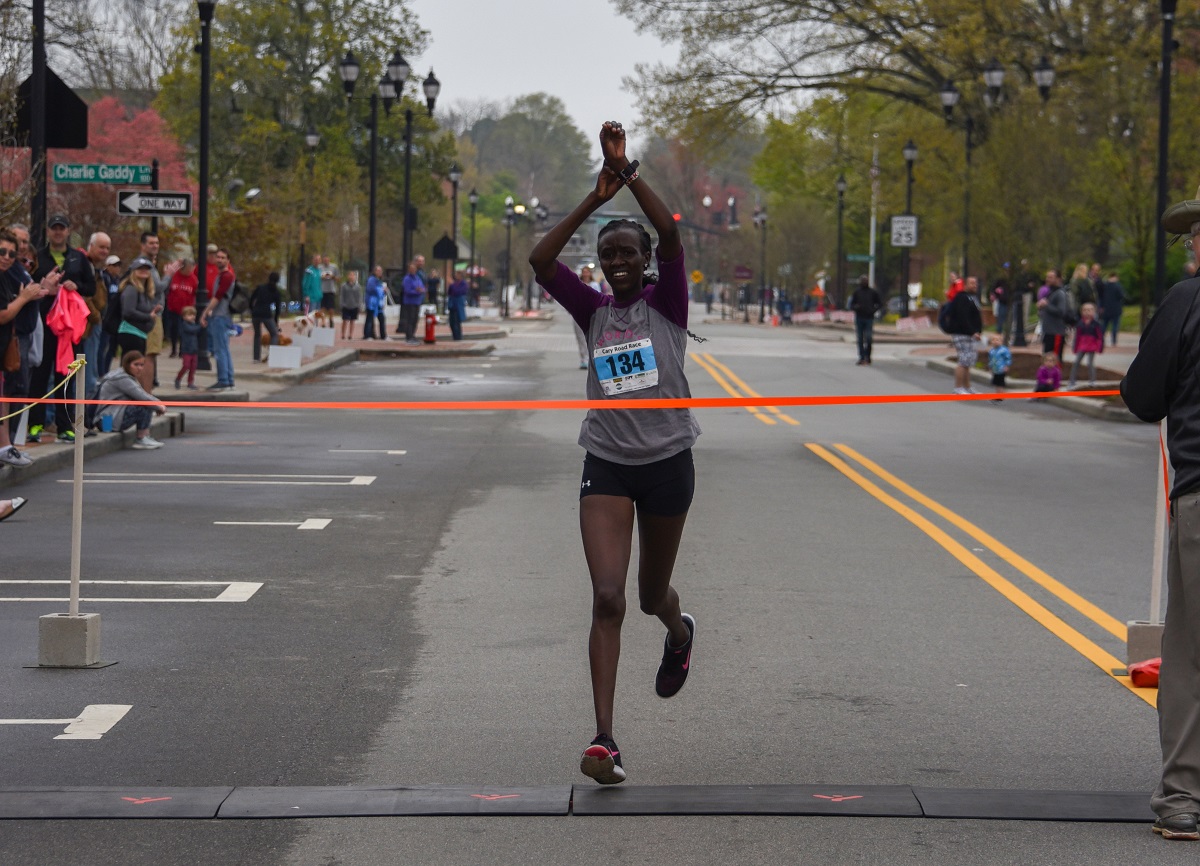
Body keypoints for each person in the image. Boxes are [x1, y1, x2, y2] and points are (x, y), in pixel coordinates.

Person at [529, 121, 700, 786]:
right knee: (607, 598)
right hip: (605, 463)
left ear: (646, 261)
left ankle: (679, 632)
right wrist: (594, 202)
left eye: (629, 254)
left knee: (651, 592)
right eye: (609, 257)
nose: (619, 263)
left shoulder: (669, 306)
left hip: (667, 467)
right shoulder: (594, 313)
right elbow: (542, 264)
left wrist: (628, 173)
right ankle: (604, 740)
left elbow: (674, 234)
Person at [1122, 187, 1200, 841]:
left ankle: (1184, 797)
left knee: (1189, 652)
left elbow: (1143, 396)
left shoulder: (1186, 301)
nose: (1191, 246)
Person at [29, 213, 94, 443]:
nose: (58, 232)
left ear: (68, 231)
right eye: (54, 228)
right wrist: (44, 287)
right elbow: (28, 285)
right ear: (48, 231)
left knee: (66, 377)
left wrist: (76, 286)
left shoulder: (78, 258)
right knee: (39, 375)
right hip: (44, 324)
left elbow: (91, 287)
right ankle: (35, 424)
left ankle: (65, 426)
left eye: (62, 228)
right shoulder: (38, 256)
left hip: (69, 328)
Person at [0, 227, 57, 466]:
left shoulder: (9, 273)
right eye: (3, 251)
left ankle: (6, 447)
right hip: (14, 338)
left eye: (12, 253)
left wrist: (40, 289)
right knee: (12, 393)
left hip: (10, 343)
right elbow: (3, 314)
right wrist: (23, 298)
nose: (8, 256)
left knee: (8, 396)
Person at [94, 351, 166, 449]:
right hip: (107, 421)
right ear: (127, 364)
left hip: (106, 418)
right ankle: (142, 437)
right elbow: (142, 396)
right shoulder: (122, 379)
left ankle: (144, 436)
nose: (139, 368)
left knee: (146, 403)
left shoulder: (120, 375)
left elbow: (142, 394)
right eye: (136, 365)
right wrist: (159, 406)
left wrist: (157, 403)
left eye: (141, 365)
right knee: (144, 405)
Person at [117, 257, 161, 393]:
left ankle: (131, 398)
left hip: (140, 334)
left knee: (134, 369)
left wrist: (152, 313)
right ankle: (125, 397)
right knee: (131, 368)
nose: (144, 271)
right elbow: (128, 312)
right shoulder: (131, 288)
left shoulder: (144, 291)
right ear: (133, 271)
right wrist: (148, 316)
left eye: (147, 269)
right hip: (130, 333)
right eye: (140, 269)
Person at [199, 248, 237, 391]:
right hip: (223, 315)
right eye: (218, 257)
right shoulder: (223, 275)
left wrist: (205, 312)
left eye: (223, 257)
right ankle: (228, 378)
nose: (219, 260)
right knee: (224, 348)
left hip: (220, 315)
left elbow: (218, 296)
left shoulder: (226, 276)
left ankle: (223, 379)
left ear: (228, 260)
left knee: (220, 349)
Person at [944, 276, 982, 394]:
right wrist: (972, 331)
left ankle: (967, 386)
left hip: (969, 334)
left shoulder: (972, 298)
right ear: (965, 285)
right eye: (971, 283)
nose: (974, 285)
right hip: (962, 333)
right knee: (963, 360)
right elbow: (962, 317)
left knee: (968, 361)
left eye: (975, 283)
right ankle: (958, 387)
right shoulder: (962, 297)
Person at [572, 265, 607, 368]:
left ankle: (593, 358)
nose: (585, 274)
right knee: (580, 338)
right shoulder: (577, 284)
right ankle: (583, 359)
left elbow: (599, 297)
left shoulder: (595, 284)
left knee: (593, 337)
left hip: (592, 314)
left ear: (590, 273)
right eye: (584, 272)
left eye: (587, 272)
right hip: (578, 313)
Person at [165, 259, 198, 358]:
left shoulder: (193, 279)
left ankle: (182, 350)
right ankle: (173, 349)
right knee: (174, 329)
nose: (190, 271)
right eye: (189, 268)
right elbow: (167, 290)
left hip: (186, 310)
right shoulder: (174, 276)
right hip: (173, 309)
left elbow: (196, 294)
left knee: (184, 331)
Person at [1036, 269, 1071, 363]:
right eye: (1047, 277)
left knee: (1055, 359)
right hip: (1047, 330)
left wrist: (1046, 305)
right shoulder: (1050, 292)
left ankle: (1056, 377)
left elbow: (1061, 311)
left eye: (1051, 277)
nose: (1048, 279)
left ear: (1058, 279)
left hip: (1056, 331)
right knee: (1046, 359)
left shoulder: (1060, 293)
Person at [1068, 302, 1104, 388]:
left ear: (1094, 312)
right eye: (1085, 310)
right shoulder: (1080, 324)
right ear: (1081, 312)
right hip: (1082, 345)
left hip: (1092, 346)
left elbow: (1100, 337)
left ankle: (1092, 381)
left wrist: (1100, 347)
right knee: (1076, 362)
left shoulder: (1096, 324)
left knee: (1090, 363)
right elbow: (1077, 336)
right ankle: (1072, 380)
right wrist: (1075, 347)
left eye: (1090, 310)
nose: (1087, 312)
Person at [849, 274, 882, 365]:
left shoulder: (872, 292)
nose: (864, 282)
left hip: (869, 318)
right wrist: (856, 307)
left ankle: (868, 356)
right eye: (863, 280)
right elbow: (851, 305)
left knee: (868, 338)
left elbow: (879, 303)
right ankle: (861, 357)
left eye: (866, 280)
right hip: (859, 317)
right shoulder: (857, 292)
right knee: (860, 339)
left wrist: (873, 310)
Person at [250, 272, 283, 361]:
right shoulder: (276, 292)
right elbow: (278, 309)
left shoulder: (260, 288)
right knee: (274, 334)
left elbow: (252, 298)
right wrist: (276, 321)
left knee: (257, 335)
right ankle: (272, 356)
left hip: (256, 313)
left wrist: (252, 309)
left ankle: (256, 358)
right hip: (266, 314)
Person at [173, 306, 200, 390]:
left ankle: (190, 382)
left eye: (193, 315)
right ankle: (178, 378)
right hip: (187, 349)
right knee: (186, 365)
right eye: (189, 315)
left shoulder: (193, 325)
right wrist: (200, 326)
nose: (192, 317)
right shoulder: (184, 325)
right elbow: (192, 330)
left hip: (194, 349)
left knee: (193, 367)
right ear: (184, 316)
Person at [1098, 271, 1127, 347]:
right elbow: (1122, 296)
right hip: (1116, 308)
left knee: (1104, 325)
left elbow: (1100, 296)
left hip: (1106, 308)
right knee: (1115, 326)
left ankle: (1100, 340)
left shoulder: (1105, 285)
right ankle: (1113, 341)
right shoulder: (1118, 286)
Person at [400, 260, 426, 344]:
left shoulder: (417, 278)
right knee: (410, 319)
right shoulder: (407, 279)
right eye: (411, 268)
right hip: (409, 302)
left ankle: (413, 335)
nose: (413, 270)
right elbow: (407, 291)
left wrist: (421, 290)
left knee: (415, 319)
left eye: (414, 268)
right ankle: (409, 336)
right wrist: (417, 291)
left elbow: (422, 287)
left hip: (417, 301)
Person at [363, 265, 388, 340]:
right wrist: (382, 290)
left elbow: (381, 293)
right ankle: (367, 335)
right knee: (369, 319)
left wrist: (384, 292)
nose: (380, 272)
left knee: (382, 319)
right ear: (374, 271)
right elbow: (372, 290)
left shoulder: (379, 281)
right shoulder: (371, 280)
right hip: (372, 303)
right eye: (378, 271)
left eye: (381, 271)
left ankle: (383, 335)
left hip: (379, 304)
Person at [446, 269, 470, 341]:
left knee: (456, 322)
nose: (456, 276)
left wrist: (452, 285)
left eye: (458, 274)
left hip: (458, 305)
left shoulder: (464, 284)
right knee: (451, 322)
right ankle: (454, 336)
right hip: (452, 305)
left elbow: (458, 292)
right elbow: (450, 292)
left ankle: (458, 337)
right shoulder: (455, 283)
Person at [338, 270, 362, 341]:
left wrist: (359, 305)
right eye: (350, 275)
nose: (351, 277)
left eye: (353, 275)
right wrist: (342, 304)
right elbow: (342, 295)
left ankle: (350, 335)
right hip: (346, 305)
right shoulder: (344, 286)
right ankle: (343, 334)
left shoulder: (358, 287)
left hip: (354, 305)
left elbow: (359, 297)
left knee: (352, 320)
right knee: (345, 320)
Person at [987, 333, 1011, 403]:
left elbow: (1008, 358)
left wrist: (1006, 366)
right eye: (993, 340)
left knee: (1001, 382)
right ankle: (997, 394)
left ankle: (1000, 395)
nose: (995, 341)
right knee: (996, 382)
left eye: (997, 340)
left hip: (1001, 369)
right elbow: (991, 360)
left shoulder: (1004, 350)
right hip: (995, 369)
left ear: (1001, 341)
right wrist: (990, 367)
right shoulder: (992, 351)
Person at [319, 255, 339, 320]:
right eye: (324, 260)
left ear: (329, 260)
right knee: (322, 307)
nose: (326, 261)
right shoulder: (320, 268)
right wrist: (322, 277)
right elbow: (317, 278)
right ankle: (323, 322)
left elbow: (338, 278)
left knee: (331, 308)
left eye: (327, 260)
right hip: (322, 290)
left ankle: (331, 320)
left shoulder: (334, 267)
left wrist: (332, 277)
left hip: (331, 290)